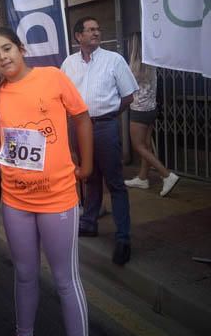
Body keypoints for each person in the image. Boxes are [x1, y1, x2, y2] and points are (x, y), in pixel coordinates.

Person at [0, 26, 97, 336]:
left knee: (66, 281)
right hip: (15, 200)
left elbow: (82, 117)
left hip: (58, 199)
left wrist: (88, 164)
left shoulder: (52, 77)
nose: (3, 58)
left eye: (7, 49)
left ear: (21, 48)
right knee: (25, 275)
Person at [61, 17, 138, 266]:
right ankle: (89, 223)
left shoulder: (114, 60)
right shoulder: (68, 64)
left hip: (105, 126)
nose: (96, 33)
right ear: (78, 36)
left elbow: (128, 96)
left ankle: (123, 238)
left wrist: (109, 116)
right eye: (90, 30)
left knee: (115, 182)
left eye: (98, 29)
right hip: (77, 127)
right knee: (89, 177)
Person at [125, 33, 179, 197]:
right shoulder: (151, 63)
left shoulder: (133, 67)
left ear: (133, 46)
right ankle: (142, 178)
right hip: (151, 109)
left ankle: (166, 175)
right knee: (146, 145)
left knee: (139, 146)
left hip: (139, 111)